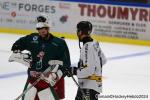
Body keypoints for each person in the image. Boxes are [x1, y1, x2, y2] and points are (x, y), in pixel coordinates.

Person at [9, 15, 71, 100]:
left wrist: (56, 75)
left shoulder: (59, 43)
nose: (41, 31)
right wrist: (19, 53)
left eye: (44, 28)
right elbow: (17, 45)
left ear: (48, 28)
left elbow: (66, 64)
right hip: (32, 81)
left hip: (47, 83)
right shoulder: (33, 38)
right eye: (39, 29)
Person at [75, 21, 107, 100]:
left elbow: (89, 70)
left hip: (88, 87)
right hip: (93, 85)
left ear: (80, 32)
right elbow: (103, 60)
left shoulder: (87, 47)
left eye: (78, 30)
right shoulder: (94, 43)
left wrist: (75, 71)